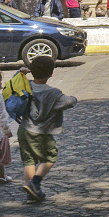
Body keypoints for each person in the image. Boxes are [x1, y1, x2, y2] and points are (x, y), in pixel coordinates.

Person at [16, 55, 76, 202]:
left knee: (29, 160)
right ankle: (34, 182)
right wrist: (74, 98)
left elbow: (14, 83)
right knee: (50, 156)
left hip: (24, 129)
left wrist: (20, 73)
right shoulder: (53, 93)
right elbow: (68, 102)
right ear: (51, 73)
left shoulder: (25, 85)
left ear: (32, 71)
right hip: (40, 132)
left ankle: (31, 193)